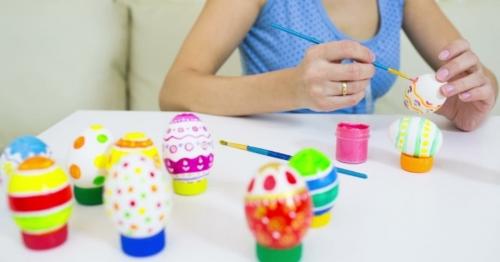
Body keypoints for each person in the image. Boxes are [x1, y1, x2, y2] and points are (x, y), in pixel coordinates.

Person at [159, 0, 498, 131]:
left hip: (363, 167)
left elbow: (477, 78)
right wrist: (292, 89)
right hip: (272, 166)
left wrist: (475, 96)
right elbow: (175, 91)